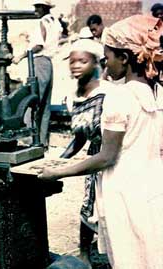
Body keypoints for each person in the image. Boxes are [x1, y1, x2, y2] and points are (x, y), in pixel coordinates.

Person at [39, 15, 163, 268]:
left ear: (125, 59)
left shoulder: (119, 97)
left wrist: (58, 172)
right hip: (152, 186)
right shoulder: (156, 92)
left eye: (108, 57)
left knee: (129, 256)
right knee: (152, 253)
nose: (106, 63)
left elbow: (107, 156)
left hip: (125, 190)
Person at [62, 38, 110, 267]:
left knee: (109, 207)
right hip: (94, 156)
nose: (76, 66)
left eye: (82, 61)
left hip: (112, 156)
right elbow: (80, 137)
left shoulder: (107, 93)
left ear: (96, 63)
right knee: (89, 205)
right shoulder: (75, 97)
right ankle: (84, 254)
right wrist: (58, 161)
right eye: (72, 62)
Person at [12, 0, 62, 148]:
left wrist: (21, 56)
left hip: (40, 61)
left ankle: (28, 140)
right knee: (44, 105)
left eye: (37, 7)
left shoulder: (41, 22)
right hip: (49, 63)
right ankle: (42, 141)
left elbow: (39, 45)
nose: (35, 10)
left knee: (32, 101)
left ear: (43, 8)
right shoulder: (55, 22)